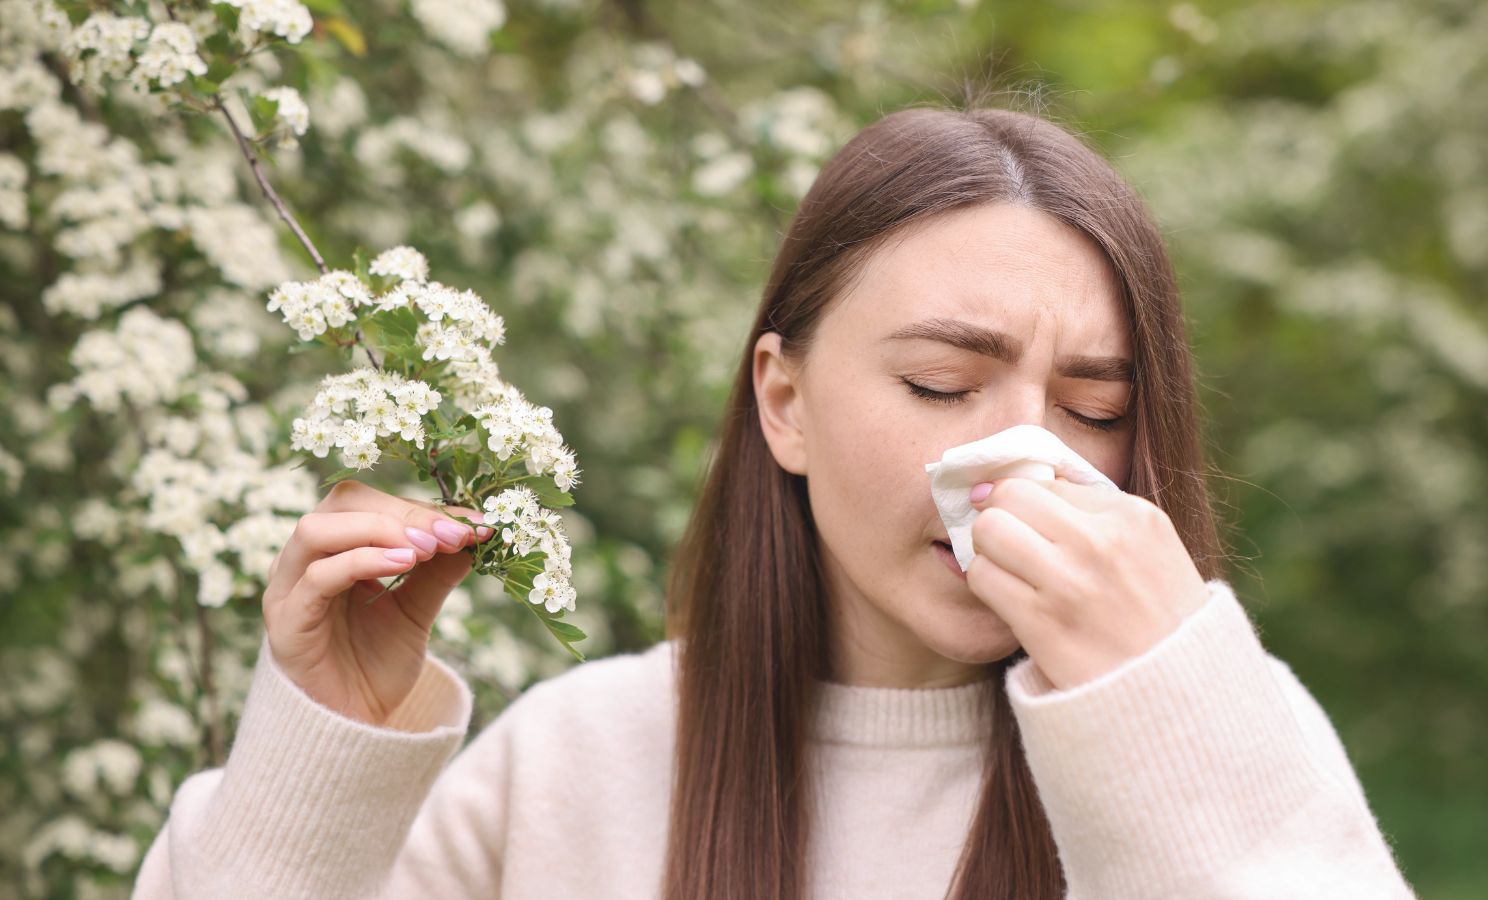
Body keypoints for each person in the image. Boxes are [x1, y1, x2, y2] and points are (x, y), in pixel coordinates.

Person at [131, 100, 1420, 899]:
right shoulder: (580, 763)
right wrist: (320, 752)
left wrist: (1163, 708)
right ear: (783, 400)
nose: (1026, 460)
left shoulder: (1226, 736)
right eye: (938, 382)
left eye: (1093, 411)